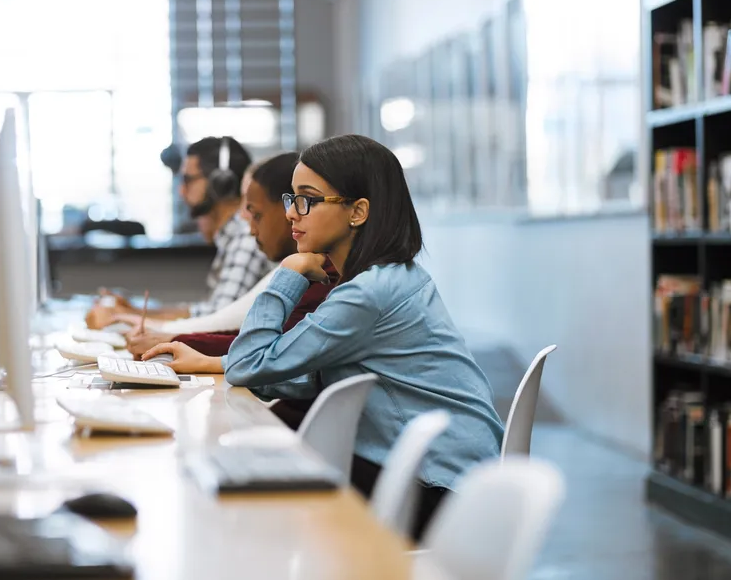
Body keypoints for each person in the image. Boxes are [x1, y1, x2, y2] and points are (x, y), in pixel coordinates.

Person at [146, 134, 503, 542]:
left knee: (253, 494)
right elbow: (315, 372)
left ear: (358, 211)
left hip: (437, 487)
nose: (292, 214)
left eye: (308, 199)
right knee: (254, 471)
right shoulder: (389, 277)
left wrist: (289, 272)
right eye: (291, 198)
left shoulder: (366, 294)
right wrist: (213, 363)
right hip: (456, 474)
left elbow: (250, 365)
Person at [129, 152, 335, 367]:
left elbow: (265, 353)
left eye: (304, 201)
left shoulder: (324, 275)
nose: (291, 213)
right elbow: (259, 343)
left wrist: (175, 342)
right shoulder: (312, 267)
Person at [87, 136, 271, 326]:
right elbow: (207, 312)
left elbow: (216, 322)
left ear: (220, 184)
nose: (181, 191)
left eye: (188, 180)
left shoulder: (246, 240)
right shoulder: (233, 239)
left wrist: (125, 317)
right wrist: (133, 311)